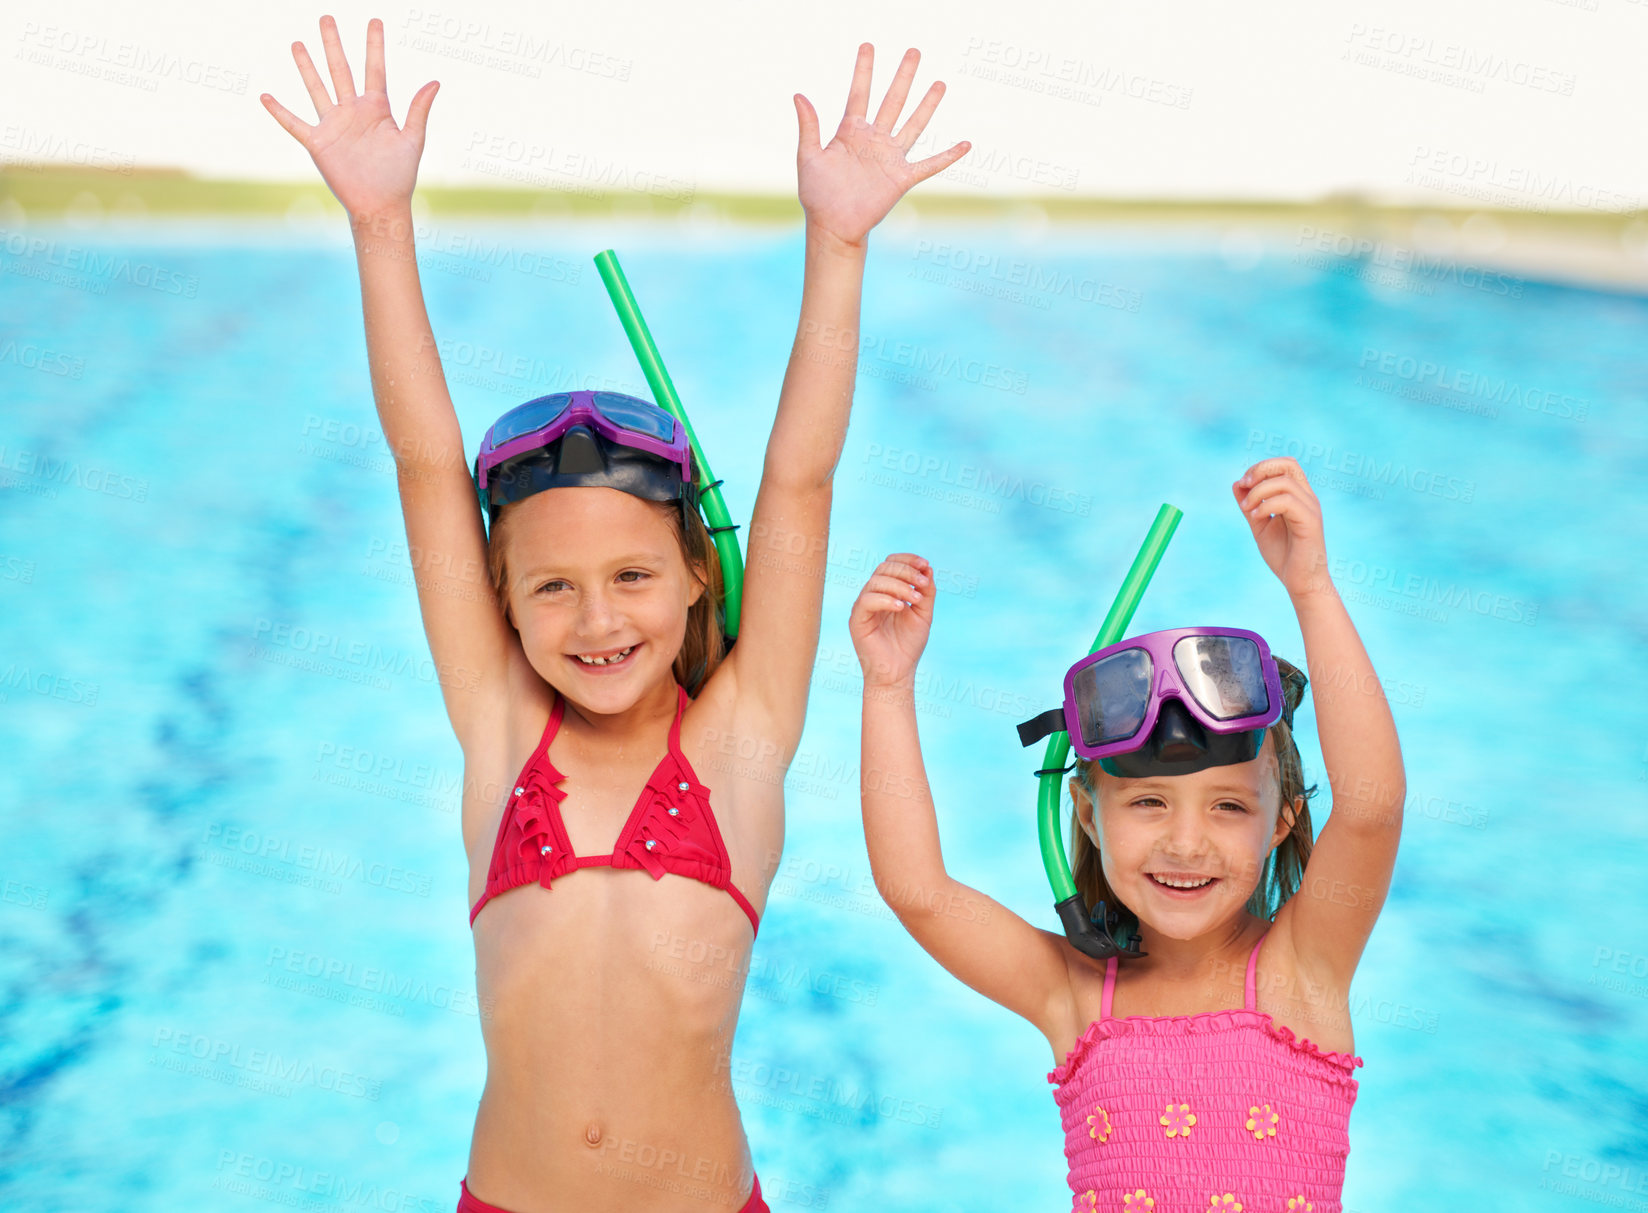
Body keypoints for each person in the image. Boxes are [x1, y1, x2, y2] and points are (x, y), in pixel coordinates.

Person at [260, 16, 970, 1212]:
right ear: (503, 602)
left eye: (634, 576)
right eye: (552, 586)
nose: (597, 619)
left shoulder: (740, 737)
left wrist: (836, 244)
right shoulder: (499, 728)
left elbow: (800, 477)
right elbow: (425, 464)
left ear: (698, 572)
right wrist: (380, 226)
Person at [852, 457, 1404, 1211]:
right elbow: (917, 891)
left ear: (1281, 822)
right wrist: (887, 685)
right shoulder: (1077, 995)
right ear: (1087, 814)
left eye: (1228, 807)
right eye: (1148, 803)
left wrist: (1311, 587)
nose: (1185, 843)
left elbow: (1371, 805)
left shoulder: (1301, 970)